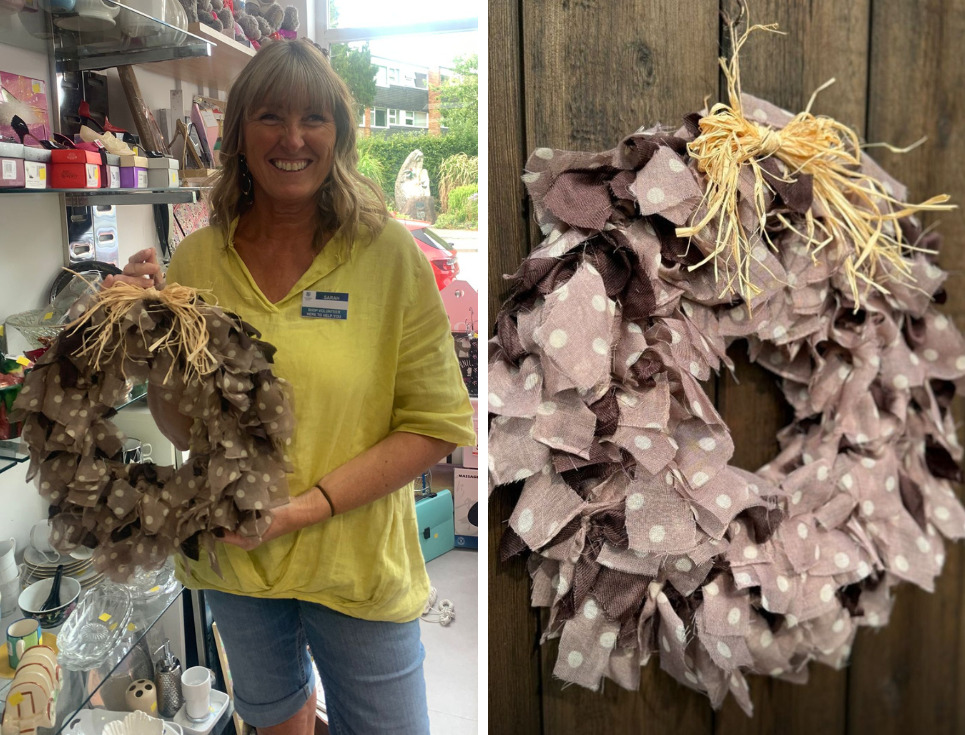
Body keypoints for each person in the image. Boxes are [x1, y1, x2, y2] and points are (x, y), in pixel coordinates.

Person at [106, 38, 474, 735]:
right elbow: (188, 428)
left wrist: (301, 509)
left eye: (314, 119)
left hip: (358, 564)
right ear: (239, 133)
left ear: (339, 133)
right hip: (238, 562)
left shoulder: (385, 254)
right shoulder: (199, 256)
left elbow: (435, 425)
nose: (293, 137)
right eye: (271, 116)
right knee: (274, 720)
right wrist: (152, 341)